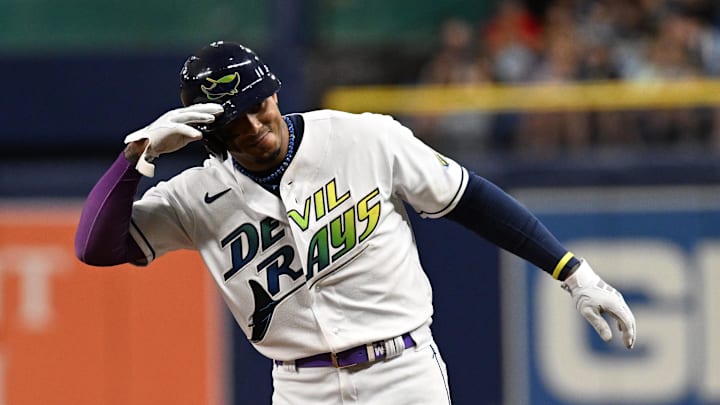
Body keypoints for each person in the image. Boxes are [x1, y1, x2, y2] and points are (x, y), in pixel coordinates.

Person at [74, 41, 636, 405]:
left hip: (401, 371)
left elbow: (470, 199)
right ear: (206, 132)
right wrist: (137, 155)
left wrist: (571, 271)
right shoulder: (196, 194)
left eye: (257, 105)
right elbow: (94, 246)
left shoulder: (360, 137)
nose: (252, 125)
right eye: (231, 121)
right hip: (300, 385)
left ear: (274, 90)